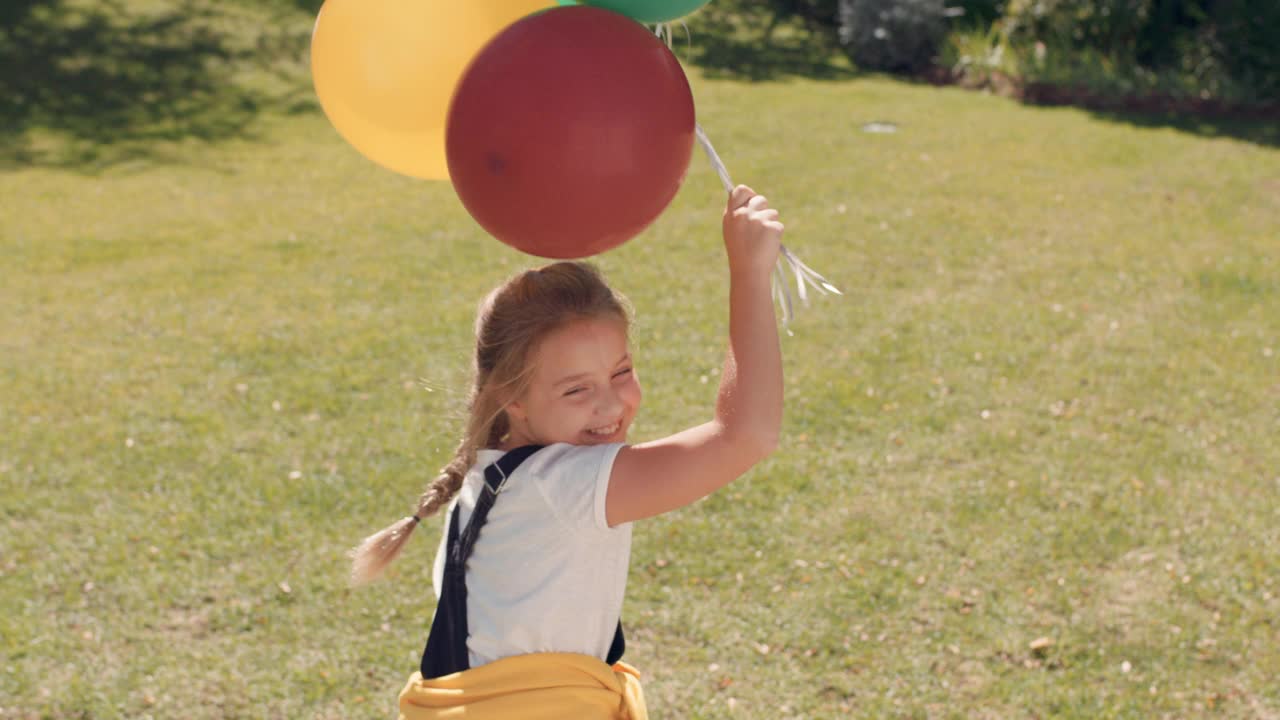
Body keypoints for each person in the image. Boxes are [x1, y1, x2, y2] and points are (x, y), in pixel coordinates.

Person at [349, 185, 784, 720]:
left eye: (621, 372)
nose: (610, 404)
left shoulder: (487, 479)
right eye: (576, 390)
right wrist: (749, 272)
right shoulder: (563, 484)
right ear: (513, 398)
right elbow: (748, 433)